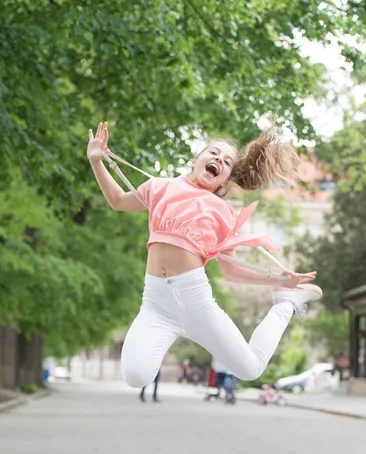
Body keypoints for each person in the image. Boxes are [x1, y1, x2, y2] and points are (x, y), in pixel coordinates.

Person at [87, 122, 322, 390]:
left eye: (226, 162)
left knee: (251, 368)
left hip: (196, 300)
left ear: (224, 180)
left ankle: (285, 304)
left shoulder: (221, 211)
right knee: (135, 377)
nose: (218, 160)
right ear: (194, 161)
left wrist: (279, 281)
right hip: (156, 303)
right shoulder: (160, 187)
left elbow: (231, 271)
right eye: (213, 153)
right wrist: (97, 161)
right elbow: (117, 201)